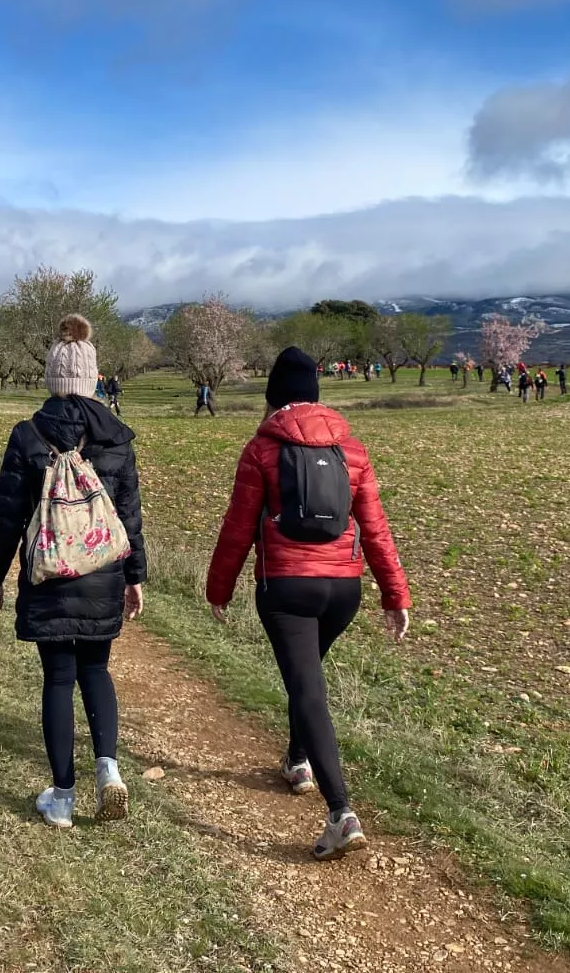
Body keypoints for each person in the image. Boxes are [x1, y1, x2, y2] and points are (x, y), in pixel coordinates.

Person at [205, 347, 411, 862]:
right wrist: (394, 594)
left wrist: (219, 589)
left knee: (307, 688)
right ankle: (298, 759)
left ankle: (341, 810)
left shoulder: (261, 449)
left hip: (288, 589)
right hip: (343, 589)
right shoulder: (353, 449)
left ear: (273, 396)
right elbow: (376, 528)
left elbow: (238, 527)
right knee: (307, 678)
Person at [0, 315, 147, 829]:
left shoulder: (28, 435)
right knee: (96, 670)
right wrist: (134, 576)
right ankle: (109, 768)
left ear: (52, 379)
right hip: (103, 572)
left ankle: (63, 797)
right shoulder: (116, 438)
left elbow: (8, 516)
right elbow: (130, 516)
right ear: (94, 379)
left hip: (49, 574)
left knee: (58, 678)